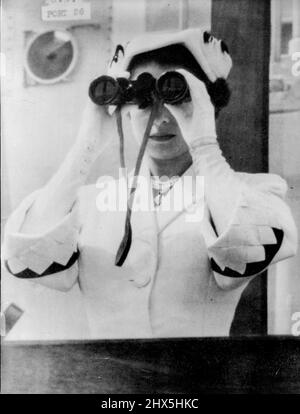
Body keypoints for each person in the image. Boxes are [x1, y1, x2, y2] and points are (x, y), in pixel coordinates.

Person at [2, 28, 297, 338]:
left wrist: (205, 144)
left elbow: (243, 256)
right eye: (142, 100)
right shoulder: (91, 201)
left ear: (210, 108)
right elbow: (23, 257)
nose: (160, 118)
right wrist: (86, 145)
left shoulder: (252, 193)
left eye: (175, 99)